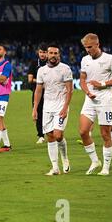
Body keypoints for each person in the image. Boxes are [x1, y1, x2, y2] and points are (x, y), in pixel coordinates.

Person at [79, 33, 112, 176]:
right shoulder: (85, 60)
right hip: (90, 100)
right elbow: (82, 80)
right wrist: (87, 92)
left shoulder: (109, 59)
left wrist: (103, 84)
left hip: (105, 101)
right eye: (85, 47)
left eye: (90, 47)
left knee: (105, 135)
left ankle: (106, 167)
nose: (88, 50)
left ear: (98, 45)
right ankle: (95, 161)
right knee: (83, 131)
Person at [32, 45, 73, 175]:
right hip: (47, 107)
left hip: (61, 105)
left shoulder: (65, 69)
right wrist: (35, 109)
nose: (53, 55)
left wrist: (66, 107)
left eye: (56, 53)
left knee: (58, 135)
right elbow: (38, 91)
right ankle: (55, 168)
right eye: (51, 53)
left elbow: (69, 90)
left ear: (59, 55)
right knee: (50, 136)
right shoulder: (41, 71)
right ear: (47, 55)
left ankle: (65, 158)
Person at [27, 43, 48, 144]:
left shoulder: (51, 63)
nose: (42, 54)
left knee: (49, 113)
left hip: (50, 93)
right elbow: (30, 79)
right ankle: (40, 135)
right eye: (41, 52)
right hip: (37, 93)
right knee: (37, 113)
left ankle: (50, 132)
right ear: (38, 52)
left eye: (44, 52)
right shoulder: (34, 63)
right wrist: (40, 82)